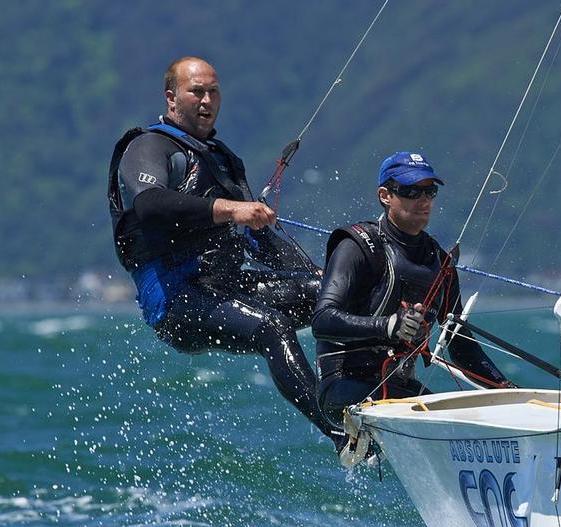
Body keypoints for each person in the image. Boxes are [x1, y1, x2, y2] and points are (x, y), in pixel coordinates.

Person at [107, 56, 334, 443]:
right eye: (196, 91)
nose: (206, 100)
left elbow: (259, 238)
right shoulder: (149, 147)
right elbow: (150, 204)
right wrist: (230, 209)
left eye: (213, 91)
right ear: (172, 98)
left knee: (333, 297)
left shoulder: (223, 160)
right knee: (272, 327)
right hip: (178, 299)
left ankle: (371, 394)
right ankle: (339, 432)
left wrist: (316, 275)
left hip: (227, 284)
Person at [313, 151, 513, 436]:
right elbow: (322, 320)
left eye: (429, 191)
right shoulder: (358, 246)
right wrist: (389, 325)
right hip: (344, 386)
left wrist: (506, 390)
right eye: (410, 191)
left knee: (465, 429)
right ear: (385, 195)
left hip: (400, 391)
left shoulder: (440, 264)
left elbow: (460, 343)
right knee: (428, 423)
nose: (423, 200)